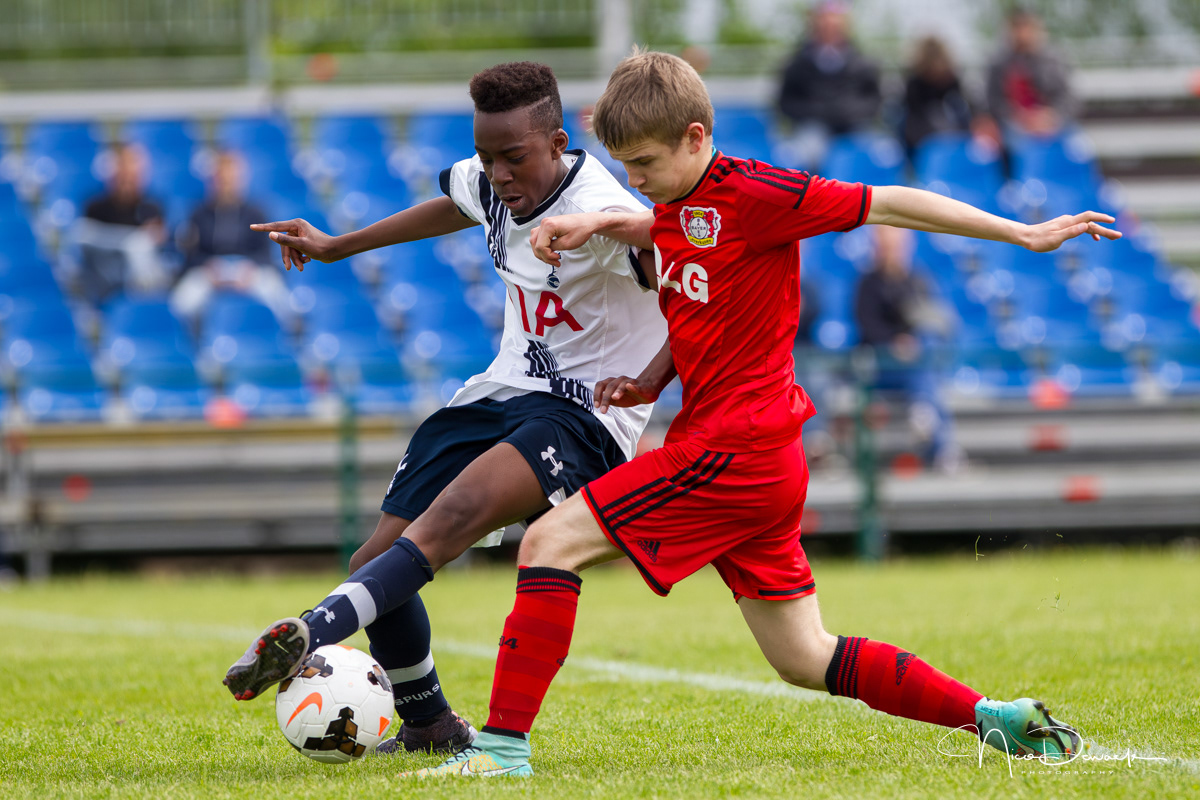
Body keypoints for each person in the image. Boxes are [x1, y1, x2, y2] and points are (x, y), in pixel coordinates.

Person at [410, 49, 1119, 778]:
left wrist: (1022, 233)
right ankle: (990, 717)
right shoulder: (679, 201)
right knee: (804, 657)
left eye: (646, 164)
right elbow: (685, 253)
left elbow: (891, 200)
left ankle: (500, 752)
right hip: (759, 456)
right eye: (626, 166)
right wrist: (605, 234)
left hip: (735, 449)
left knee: (550, 542)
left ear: (694, 136)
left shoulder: (760, 193)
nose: (638, 183)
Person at [222, 62, 667, 755]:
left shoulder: (601, 205)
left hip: (582, 416)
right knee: (372, 557)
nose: (499, 174)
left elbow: (669, 250)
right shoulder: (492, 184)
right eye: (488, 157)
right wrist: (339, 245)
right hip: (501, 391)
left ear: (555, 142)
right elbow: (454, 202)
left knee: (448, 521)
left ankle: (316, 628)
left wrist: (645, 365)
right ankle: (429, 725)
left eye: (514, 157)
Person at [854, 225, 960, 470]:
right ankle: (943, 449)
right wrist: (895, 343)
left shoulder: (917, 280)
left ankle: (928, 422)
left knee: (928, 351)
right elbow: (867, 325)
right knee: (928, 377)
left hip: (914, 364)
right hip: (882, 366)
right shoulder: (868, 283)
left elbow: (938, 319)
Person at [170, 150, 290, 325]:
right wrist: (208, 268)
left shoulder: (256, 212)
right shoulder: (199, 213)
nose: (226, 185)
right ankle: (185, 342)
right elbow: (191, 256)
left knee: (276, 293)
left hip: (248, 269)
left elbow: (265, 253)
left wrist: (250, 269)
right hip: (210, 271)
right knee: (182, 302)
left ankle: (288, 337)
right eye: (221, 179)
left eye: (230, 179)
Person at [776, 0, 881, 167]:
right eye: (825, 22)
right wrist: (817, 112)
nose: (830, 28)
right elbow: (785, 102)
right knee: (806, 155)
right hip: (813, 127)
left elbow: (874, 100)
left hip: (854, 127)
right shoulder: (796, 63)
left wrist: (850, 111)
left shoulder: (863, 63)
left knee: (878, 157)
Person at [73, 143, 168, 304]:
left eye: (132, 170)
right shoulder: (95, 208)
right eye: (123, 168)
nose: (127, 177)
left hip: (140, 281)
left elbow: (158, 246)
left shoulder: (152, 207)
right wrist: (129, 241)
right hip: (104, 279)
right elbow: (84, 240)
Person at [984, 7, 1076, 140]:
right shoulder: (999, 63)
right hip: (1012, 123)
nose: (1022, 34)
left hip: (1052, 121)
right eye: (1018, 28)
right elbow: (993, 101)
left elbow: (1068, 98)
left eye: (1026, 28)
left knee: (1075, 148)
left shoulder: (1053, 61)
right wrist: (1017, 116)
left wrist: (1051, 116)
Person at [900, 36, 973, 158]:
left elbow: (962, 109)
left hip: (948, 131)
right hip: (922, 134)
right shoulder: (914, 83)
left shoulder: (951, 80)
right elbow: (914, 116)